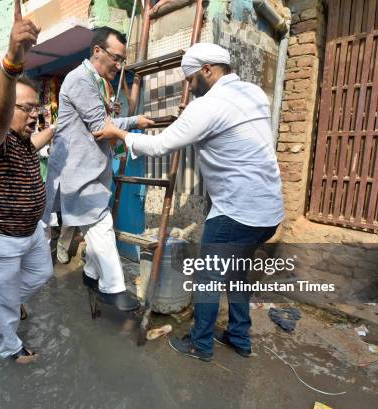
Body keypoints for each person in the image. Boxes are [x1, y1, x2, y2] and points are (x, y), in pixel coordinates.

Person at [94, 43, 285, 362]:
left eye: (191, 80)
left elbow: (161, 146)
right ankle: (239, 337)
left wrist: (119, 132)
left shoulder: (207, 107)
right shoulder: (252, 94)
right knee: (237, 273)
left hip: (237, 213)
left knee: (208, 277)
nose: (189, 87)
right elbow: (223, 128)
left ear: (207, 70)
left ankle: (201, 344)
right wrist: (192, 117)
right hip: (268, 213)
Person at [43, 27, 154, 311]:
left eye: (122, 61)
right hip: (77, 173)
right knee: (100, 225)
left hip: (90, 171)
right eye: (116, 59)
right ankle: (112, 288)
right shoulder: (80, 79)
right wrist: (134, 136)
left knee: (93, 227)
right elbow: (100, 128)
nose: (119, 66)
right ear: (97, 51)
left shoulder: (96, 81)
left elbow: (104, 122)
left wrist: (131, 121)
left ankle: (91, 276)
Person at [0, 2, 54, 363]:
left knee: (42, 272)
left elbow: (34, 141)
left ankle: (6, 300)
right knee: (2, 298)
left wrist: (59, 126)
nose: (33, 114)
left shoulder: (21, 141)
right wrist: (13, 58)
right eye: (26, 108)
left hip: (28, 231)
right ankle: (10, 346)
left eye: (36, 107)